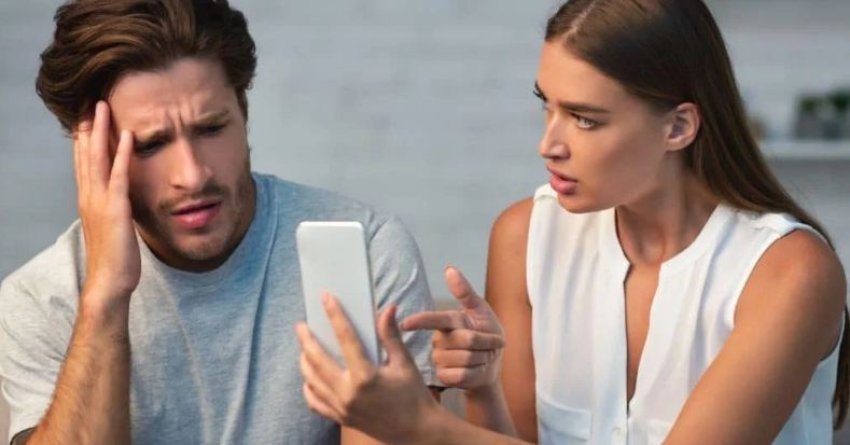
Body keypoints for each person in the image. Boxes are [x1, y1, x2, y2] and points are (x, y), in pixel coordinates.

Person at [296, 0, 850, 444]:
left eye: (585, 119)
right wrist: (485, 388)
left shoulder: (790, 274)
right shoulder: (524, 239)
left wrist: (422, 427)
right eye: (548, 106)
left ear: (678, 127)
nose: (549, 144)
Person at [0, 1, 439, 444]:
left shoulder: (366, 251)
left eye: (210, 129)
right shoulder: (39, 300)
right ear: (92, 153)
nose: (192, 175)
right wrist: (105, 299)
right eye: (150, 145)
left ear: (243, 112)